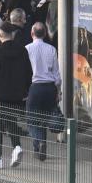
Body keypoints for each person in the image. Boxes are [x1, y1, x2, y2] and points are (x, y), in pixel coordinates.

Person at [0, 23, 32, 170]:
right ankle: (16, 146)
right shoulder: (23, 51)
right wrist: (25, 91)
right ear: (13, 35)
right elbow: (28, 73)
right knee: (11, 120)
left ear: (0, 35)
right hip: (16, 95)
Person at [25, 23, 61, 161]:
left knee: (32, 119)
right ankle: (43, 143)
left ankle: (38, 143)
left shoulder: (27, 49)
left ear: (32, 33)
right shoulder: (52, 49)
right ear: (45, 34)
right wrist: (58, 90)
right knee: (45, 117)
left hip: (34, 87)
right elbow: (56, 73)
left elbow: (25, 73)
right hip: (49, 87)